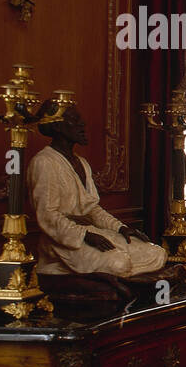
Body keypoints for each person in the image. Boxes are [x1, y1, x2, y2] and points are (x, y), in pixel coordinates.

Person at [28, 104, 167, 277]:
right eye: (75, 120)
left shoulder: (82, 163)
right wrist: (84, 235)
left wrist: (120, 228)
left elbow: (92, 210)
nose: (82, 125)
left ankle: (118, 276)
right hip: (63, 242)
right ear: (57, 126)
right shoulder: (44, 162)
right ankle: (62, 268)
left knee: (157, 254)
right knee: (119, 264)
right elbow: (47, 216)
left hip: (91, 232)